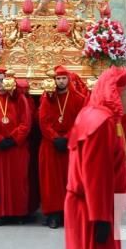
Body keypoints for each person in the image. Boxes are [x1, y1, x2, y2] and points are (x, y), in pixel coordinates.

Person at [64, 66, 126, 249]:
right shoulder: (101, 122)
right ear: (116, 92)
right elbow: (95, 174)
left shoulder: (103, 118)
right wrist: (101, 218)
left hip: (100, 210)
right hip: (93, 213)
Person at [38, 66, 87, 228]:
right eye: (58, 79)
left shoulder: (78, 98)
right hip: (50, 145)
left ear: (69, 79)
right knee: (51, 182)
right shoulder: (47, 97)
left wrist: (66, 138)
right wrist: (54, 138)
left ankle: (70, 213)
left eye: (63, 78)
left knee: (69, 180)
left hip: (69, 145)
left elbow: (80, 122)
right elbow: (43, 121)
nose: (60, 81)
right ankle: (53, 214)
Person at [0, 68, 32, 225]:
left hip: (17, 147)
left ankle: (19, 213)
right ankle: (2, 213)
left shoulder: (19, 99)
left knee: (19, 180)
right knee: (0, 181)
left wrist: (13, 139)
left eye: (2, 80)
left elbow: (26, 123)